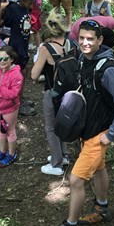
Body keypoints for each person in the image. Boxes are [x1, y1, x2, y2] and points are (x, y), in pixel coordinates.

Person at [55, 19, 114, 226]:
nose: (85, 43)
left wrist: (111, 134)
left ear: (100, 40)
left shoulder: (108, 70)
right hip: (87, 129)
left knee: (76, 180)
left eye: (90, 39)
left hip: (98, 134)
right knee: (99, 169)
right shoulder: (83, 59)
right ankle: (102, 208)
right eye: (81, 38)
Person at [30, 9, 76, 175]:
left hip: (52, 92)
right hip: (69, 92)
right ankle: (64, 155)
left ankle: (56, 164)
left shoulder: (46, 48)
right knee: (62, 123)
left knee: (51, 127)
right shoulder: (70, 43)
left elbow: (34, 75)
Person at [0, 0, 37, 116]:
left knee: (23, 73)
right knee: (18, 75)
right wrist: (1, 9)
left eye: (32, 3)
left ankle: (20, 98)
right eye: (29, 3)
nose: (31, 6)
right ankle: (17, 103)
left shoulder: (26, 9)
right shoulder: (13, 9)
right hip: (16, 48)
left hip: (23, 47)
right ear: (22, 1)